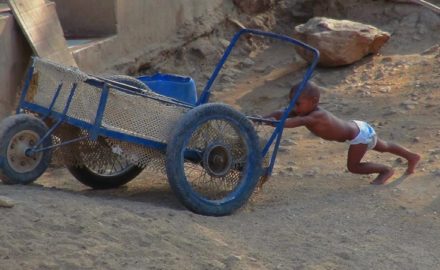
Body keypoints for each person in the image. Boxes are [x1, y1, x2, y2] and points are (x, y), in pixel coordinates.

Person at [264, 81, 420, 185]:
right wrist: (263, 118)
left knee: (354, 166)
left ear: (314, 101)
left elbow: (294, 122)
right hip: (358, 126)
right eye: (291, 102)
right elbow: (281, 113)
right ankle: (411, 156)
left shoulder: (316, 116)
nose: (294, 107)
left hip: (357, 137)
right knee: (384, 146)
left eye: (297, 103)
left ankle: (385, 170)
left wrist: (276, 123)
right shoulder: (303, 110)